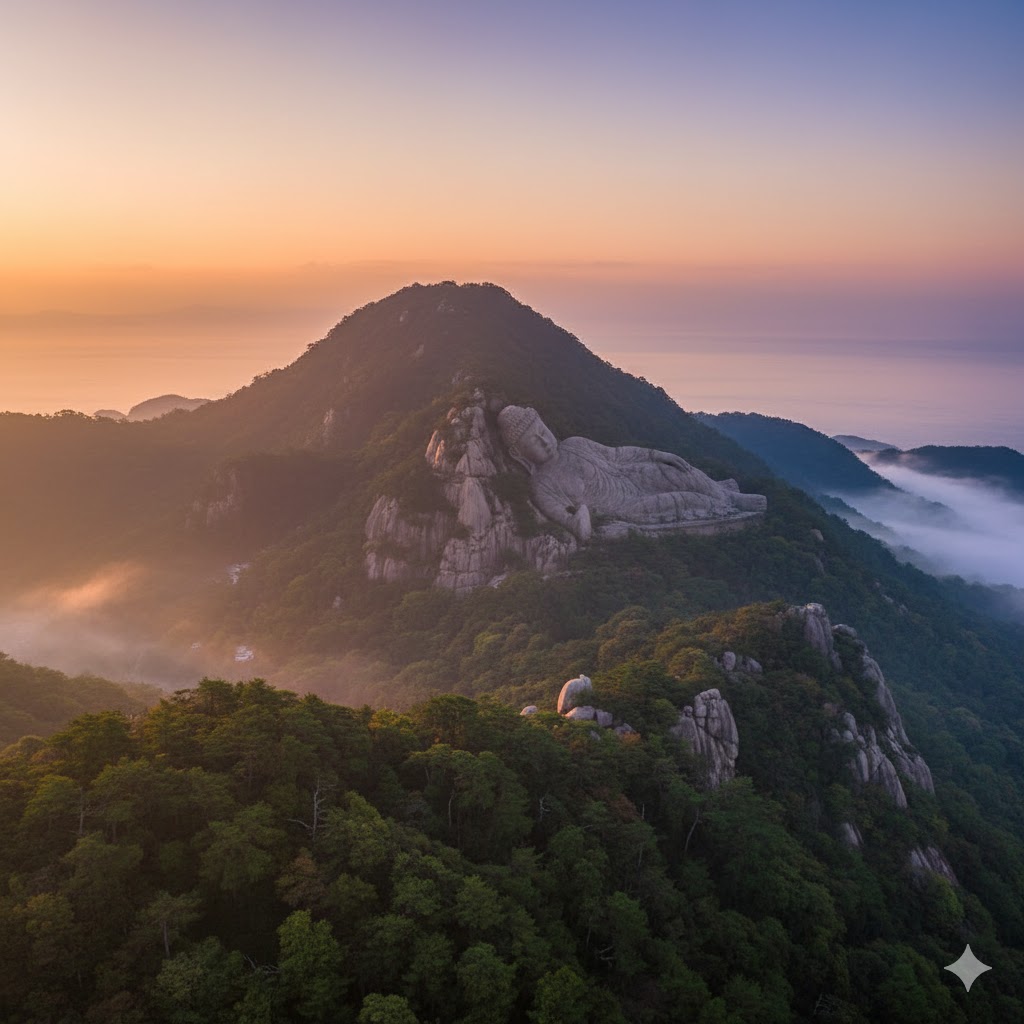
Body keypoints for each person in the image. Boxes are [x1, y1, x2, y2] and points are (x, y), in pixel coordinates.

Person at [497, 405, 766, 542]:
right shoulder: (542, 485)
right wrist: (585, 515)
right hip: (624, 507)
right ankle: (725, 502)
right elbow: (573, 525)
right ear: (519, 453)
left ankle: (731, 498)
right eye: (533, 441)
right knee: (678, 500)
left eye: (542, 431)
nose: (544, 441)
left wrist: (655, 454)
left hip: (629, 474)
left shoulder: (574, 443)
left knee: (675, 470)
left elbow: (617, 454)